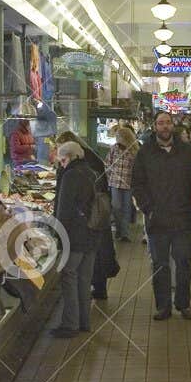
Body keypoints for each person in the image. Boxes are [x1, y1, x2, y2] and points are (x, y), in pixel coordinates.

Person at [131, 111, 191, 321]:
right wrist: (148, 208)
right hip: (157, 220)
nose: (165, 127)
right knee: (160, 265)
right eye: (161, 123)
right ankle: (163, 306)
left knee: (184, 261)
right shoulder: (145, 153)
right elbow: (137, 184)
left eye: (168, 123)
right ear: (155, 127)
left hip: (183, 219)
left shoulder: (187, 152)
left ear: (173, 126)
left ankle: (183, 303)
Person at [55, 130, 119, 304]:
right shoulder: (89, 158)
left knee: (79, 271)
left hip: (87, 222)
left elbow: (70, 202)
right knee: (94, 261)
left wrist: (59, 232)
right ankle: (96, 292)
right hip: (96, 218)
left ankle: (76, 316)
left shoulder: (74, 170)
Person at [49, 140, 99, 338]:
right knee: (84, 280)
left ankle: (70, 324)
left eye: (62, 160)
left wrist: (58, 235)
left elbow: (64, 209)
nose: (61, 164)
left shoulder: (70, 175)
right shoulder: (90, 172)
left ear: (68, 157)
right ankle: (84, 322)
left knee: (69, 276)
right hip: (92, 234)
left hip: (75, 236)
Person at [106, 123, 139, 242]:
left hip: (128, 183)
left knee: (126, 207)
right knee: (116, 206)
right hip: (115, 183)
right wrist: (109, 176)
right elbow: (108, 163)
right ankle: (119, 229)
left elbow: (137, 168)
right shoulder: (114, 148)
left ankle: (124, 233)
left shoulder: (134, 150)